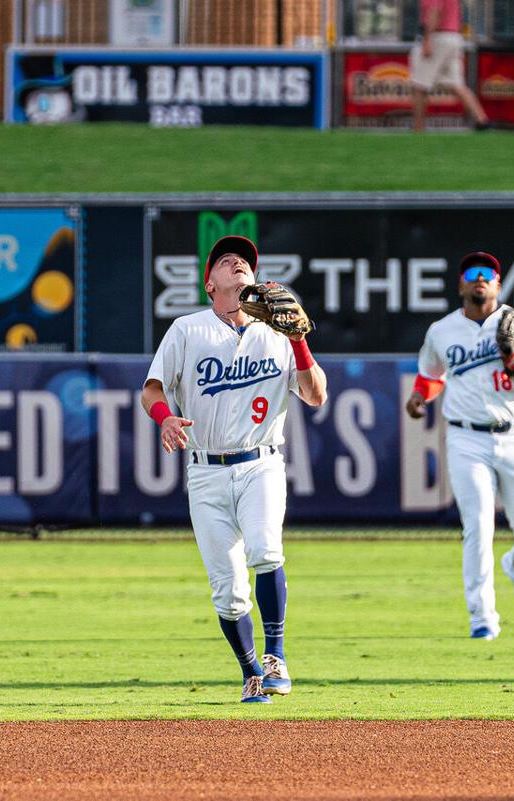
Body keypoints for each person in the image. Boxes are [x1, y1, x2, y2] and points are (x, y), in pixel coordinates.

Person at [141, 235, 328, 703]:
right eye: (225, 260)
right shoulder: (187, 329)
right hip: (205, 470)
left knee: (266, 552)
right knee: (227, 591)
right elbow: (152, 390)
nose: (236, 262)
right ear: (210, 283)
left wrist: (300, 342)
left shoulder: (279, 334)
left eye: (243, 260)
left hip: (260, 461)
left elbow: (316, 394)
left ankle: (276, 655)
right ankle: (249, 672)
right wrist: (165, 419)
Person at [405, 251, 514, 639]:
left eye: (487, 274)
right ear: (461, 285)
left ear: (497, 284)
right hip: (465, 437)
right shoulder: (442, 331)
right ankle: (482, 616)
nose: (480, 279)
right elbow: (432, 374)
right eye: (472, 274)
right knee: (477, 524)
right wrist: (419, 395)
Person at [409, 0, 489, 132]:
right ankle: (482, 120)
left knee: (419, 86)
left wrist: (427, 40)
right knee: (456, 84)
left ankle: (418, 129)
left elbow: (434, 11)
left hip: (437, 37)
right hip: (453, 36)